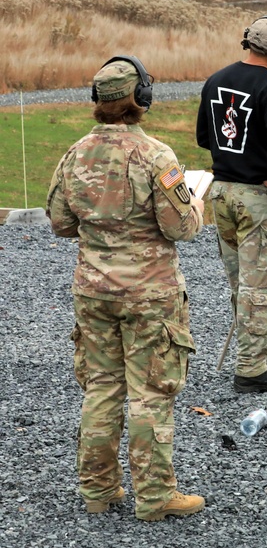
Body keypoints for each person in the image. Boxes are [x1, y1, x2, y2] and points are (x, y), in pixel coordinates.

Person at [46, 56, 206, 521]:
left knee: (100, 388)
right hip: (150, 295)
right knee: (151, 391)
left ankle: (98, 490)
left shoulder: (75, 153)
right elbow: (181, 229)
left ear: (98, 101)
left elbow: (59, 222)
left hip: (93, 291)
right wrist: (195, 200)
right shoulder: (158, 156)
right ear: (141, 99)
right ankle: (155, 499)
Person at [196, 14, 267, 393]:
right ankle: (252, 368)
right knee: (258, 286)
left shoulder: (216, 80)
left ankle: (263, 350)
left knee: (242, 282)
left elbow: (205, 137)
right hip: (255, 197)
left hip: (221, 192)